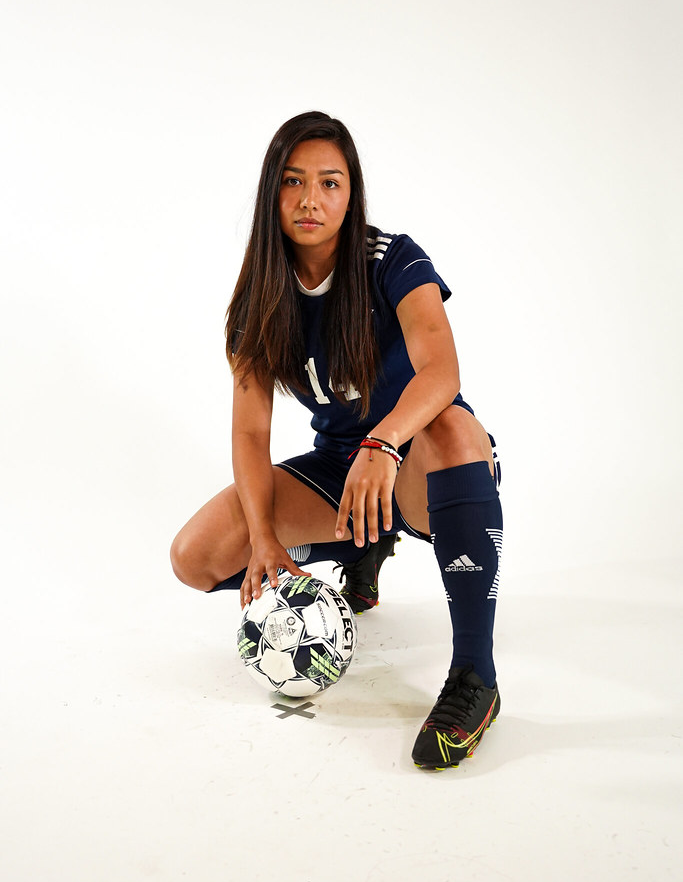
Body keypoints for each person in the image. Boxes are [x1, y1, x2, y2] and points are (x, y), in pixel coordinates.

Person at [171, 111, 503, 770]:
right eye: (293, 182)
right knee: (196, 555)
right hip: (341, 468)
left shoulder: (393, 261)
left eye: (329, 182)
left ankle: (475, 677)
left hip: (418, 463)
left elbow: (442, 372)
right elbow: (248, 430)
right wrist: (264, 535)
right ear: (273, 193)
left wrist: (382, 447)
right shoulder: (259, 300)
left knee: (454, 428)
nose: (309, 200)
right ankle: (364, 545)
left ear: (351, 195)